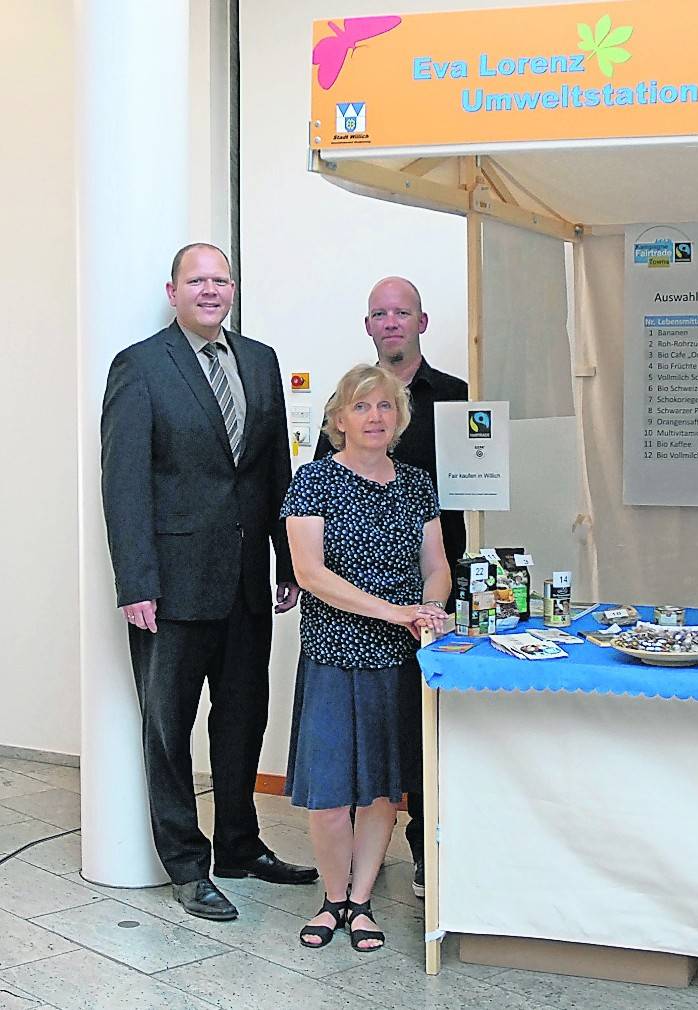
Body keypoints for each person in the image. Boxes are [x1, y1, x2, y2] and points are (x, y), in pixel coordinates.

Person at [100, 243, 318, 922]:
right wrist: (136, 580)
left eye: (220, 280)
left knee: (243, 720)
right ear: (173, 291)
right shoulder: (139, 366)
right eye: (197, 280)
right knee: (168, 729)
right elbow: (124, 483)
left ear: (232, 289)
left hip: (248, 581)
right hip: (170, 587)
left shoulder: (259, 360)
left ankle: (239, 845)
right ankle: (188, 867)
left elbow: (271, 471)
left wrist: (288, 561)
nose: (210, 290)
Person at [283, 363, 451, 951]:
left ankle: (361, 901)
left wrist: (428, 608)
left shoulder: (416, 484)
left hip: (396, 661)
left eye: (384, 406)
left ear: (399, 417)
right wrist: (395, 611)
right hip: (333, 652)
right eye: (361, 407)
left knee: (383, 791)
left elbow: (436, 566)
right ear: (338, 419)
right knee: (330, 794)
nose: (374, 417)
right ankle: (331, 899)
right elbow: (310, 574)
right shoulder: (312, 482)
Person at [313, 275, 466, 897]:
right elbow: (310, 561)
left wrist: (433, 601)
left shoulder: (455, 397)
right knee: (353, 760)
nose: (392, 322)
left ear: (422, 322)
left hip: (433, 594)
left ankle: (425, 853)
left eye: (403, 312)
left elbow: (473, 485)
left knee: (420, 735)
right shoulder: (322, 469)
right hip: (352, 621)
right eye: (380, 313)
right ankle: (344, 889)